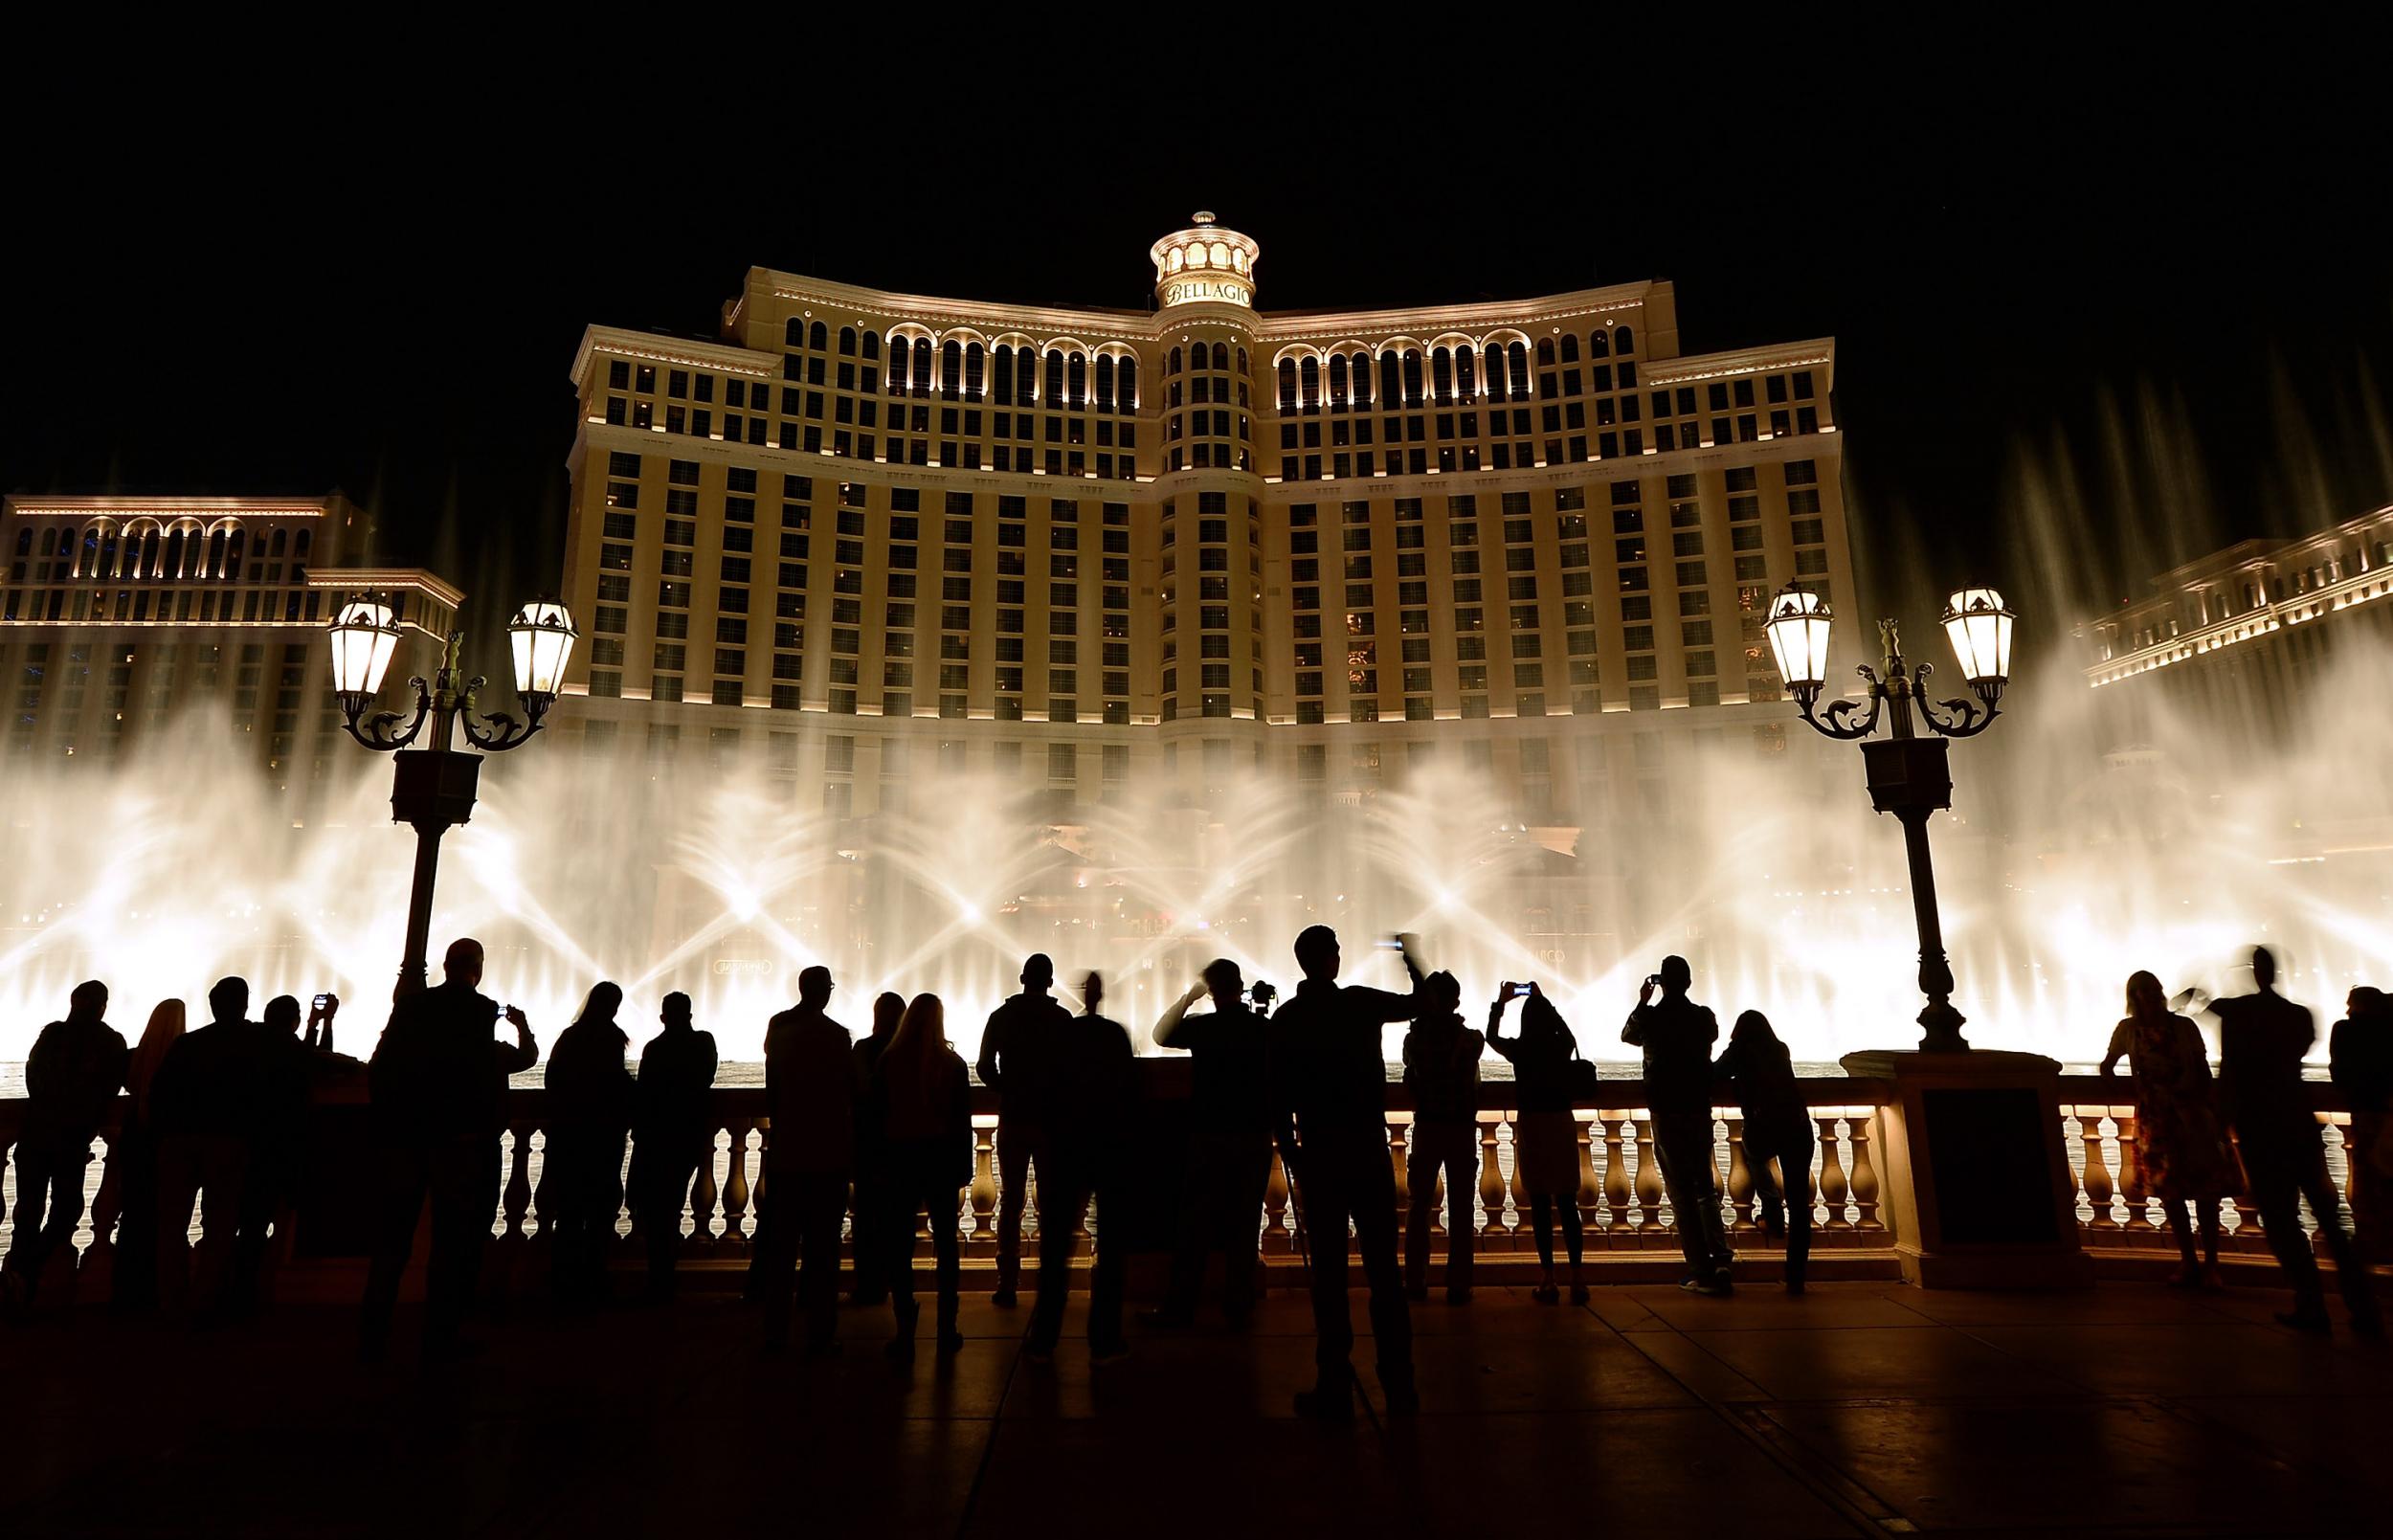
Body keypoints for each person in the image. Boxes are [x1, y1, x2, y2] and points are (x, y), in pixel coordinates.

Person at [358, 939, 539, 1363]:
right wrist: (522, 1026)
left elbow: (381, 1067)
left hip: (406, 1142)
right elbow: (523, 1059)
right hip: (462, 1146)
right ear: (478, 968)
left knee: (392, 1243)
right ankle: (440, 1337)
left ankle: (372, 1334)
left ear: (444, 966)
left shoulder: (413, 1008)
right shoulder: (480, 1016)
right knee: (453, 1244)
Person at [1270, 926, 1421, 1421]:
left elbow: (1277, 1088)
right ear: (1333, 960)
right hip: (1366, 1150)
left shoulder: (1289, 1017)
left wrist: (1289, 1144)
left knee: (1329, 1275)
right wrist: (1411, 957)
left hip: (1319, 1154)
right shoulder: (1358, 1003)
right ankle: (1400, 1385)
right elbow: (1419, 1002)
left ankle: (1333, 1383)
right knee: (1384, 1272)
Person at [2212, 946, 2379, 1334]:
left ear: (2255, 973)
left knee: (2282, 1222)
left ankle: (2311, 1305)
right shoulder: (2298, 1016)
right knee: (2332, 1222)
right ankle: (2364, 1309)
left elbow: (2232, 1069)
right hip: (2300, 1125)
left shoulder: (2238, 1014)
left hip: (2261, 1131)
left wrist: (2223, 1123)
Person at [151, 977, 305, 1323]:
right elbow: (298, 1065)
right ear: (246, 1004)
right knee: (219, 1228)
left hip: (180, 1143)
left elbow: (160, 1095)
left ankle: (171, 1303)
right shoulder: (259, 1043)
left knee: (171, 1227)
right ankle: (203, 1303)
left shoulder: (187, 1044)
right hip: (229, 1143)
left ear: (212, 1004)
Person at [1150, 959, 1274, 1328]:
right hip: (1253, 1135)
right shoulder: (1259, 1028)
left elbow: (1161, 1034)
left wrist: (1188, 998)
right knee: (1245, 1222)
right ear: (1240, 987)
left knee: (1195, 1226)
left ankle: (1181, 1305)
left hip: (1209, 1133)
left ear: (1212, 990)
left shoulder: (1204, 1028)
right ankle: (1238, 1303)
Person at [2098, 971, 2239, 1287]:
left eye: (2152, 990)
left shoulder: (2183, 1027)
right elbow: (2107, 1066)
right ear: (2132, 997)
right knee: (2171, 1195)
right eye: (2140, 992)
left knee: (2206, 1194)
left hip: (2190, 1116)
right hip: (2157, 1119)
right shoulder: (2127, 1030)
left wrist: (2207, 1112)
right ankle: (2190, 1262)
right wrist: (2135, 1093)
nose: (2147, 996)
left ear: (2160, 992)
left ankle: (2211, 1265)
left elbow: (2202, 1070)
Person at [1026, 972, 1136, 1364]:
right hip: (1109, 1149)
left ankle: (1044, 1336)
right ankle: (1104, 1338)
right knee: (1111, 1248)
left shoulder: (1063, 1036)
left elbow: (1047, 1088)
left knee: (1055, 1248)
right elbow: (1130, 1089)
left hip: (1067, 1149)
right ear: (1100, 995)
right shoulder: (1114, 1035)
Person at [3, 981, 128, 1312]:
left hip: (36, 1136)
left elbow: (33, 1078)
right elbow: (110, 1089)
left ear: (73, 1002)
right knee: (66, 1211)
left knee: (28, 1213)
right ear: (102, 1006)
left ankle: (18, 1279)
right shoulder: (111, 1042)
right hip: (72, 1141)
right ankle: (26, 1274)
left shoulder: (52, 1035)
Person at [868, 993, 972, 1362]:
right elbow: (962, 1125)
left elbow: (877, 1120)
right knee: (946, 1246)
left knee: (900, 1248)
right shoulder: (954, 1066)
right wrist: (964, 1170)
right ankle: (947, 1330)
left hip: (900, 1162)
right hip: (941, 1163)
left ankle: (905, 1330)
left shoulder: (889, 1062)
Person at [759, 966, 856, 1355]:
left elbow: (772, 1089)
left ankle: (775, 1331)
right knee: (824, 1249)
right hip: (827, 1155)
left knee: (781, 1248)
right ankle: (820, 1331)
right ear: (826, 993)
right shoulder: (836, 1036)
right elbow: (847, 1095)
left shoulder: (778, 1027)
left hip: (787, 1152)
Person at [1623, 955, 1731, 1295]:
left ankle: (1700, 1270)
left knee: (1681, 1193)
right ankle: (1722, 1259)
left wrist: (1644, 1000)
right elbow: (1712, 1035)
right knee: (1705, 1190)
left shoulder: (1652, 1017)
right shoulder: (1702, 1017)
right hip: (1698, 1110)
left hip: (1667, 1112)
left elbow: (1627, 1035)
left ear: (1662, 983)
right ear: (1688, 982)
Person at [976, 953, 1070, 1307]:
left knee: (1011, 1201)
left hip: (1013, 1118)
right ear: (1049, 981)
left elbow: (985, 1066)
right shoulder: (1062, 1020)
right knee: (1052, 1203)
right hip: (1051, 1122)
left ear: (1021, 979)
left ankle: (1007, 1283)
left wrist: (1007, 1088)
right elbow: (1071, 1071)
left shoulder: (1001, 1018)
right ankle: (1052, 1283)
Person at [1487, 983, 1586, 1305]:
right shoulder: (1560, 1047)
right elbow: (1569, 1036)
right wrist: (1544, 1001)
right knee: (1568, 1204)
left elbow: (1492, 1037)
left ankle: (1548, 1278)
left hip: (1533, 1125)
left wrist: (1500, 1004)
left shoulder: (1522, 1049)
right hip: (1560, 1122)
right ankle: (1577, 1277)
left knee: (1541, 1205)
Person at [545, 983, 634, 1306]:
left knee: (569, 1211)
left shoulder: (571, 1037)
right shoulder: (611, 1037)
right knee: (600, 1210)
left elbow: (552, 1080)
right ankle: (593, 1279)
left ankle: (563, 1282)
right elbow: (615, 1082)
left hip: (569, 1137)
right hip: (603, 1139)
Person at [1714, 1010, 1815, 1294]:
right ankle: (1796, 1278)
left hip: (1766, 1128)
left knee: (1753, 1153)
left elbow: (1715, 1073)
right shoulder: (1780, 1049)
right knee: (1799, 1208)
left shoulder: (1740, 1050)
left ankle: (1771, 1210)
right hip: (1798, 1126)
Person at [628, 992, 718, 1304]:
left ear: (663, 1017)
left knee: (656, 1212)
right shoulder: (704, 1043)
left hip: (656, 1138)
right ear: (690, 1015)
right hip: (688, 1137)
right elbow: (705, 1079)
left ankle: (659, 1279)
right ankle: (666, 1278)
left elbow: (644, 1093)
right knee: (673, 1206)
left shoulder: (655, 1048)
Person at [1401, 970, 1482, 1304]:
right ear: (1457, 1001)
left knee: (1418, 1206)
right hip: (1461, 1127)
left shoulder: (1415, 1039)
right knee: (1462, 1208)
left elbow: (1410, 1065)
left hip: (1428, 1126)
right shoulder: (1471, 1039)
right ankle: (1459, 1284)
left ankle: (1416, 1281)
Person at [108, 999, 189, 1314]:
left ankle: (126, 1293)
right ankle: (157, 1292)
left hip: (135, 1138)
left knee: (132, 1213)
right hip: (167, 1141)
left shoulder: (133, 1059)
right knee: (166, 1217)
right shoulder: (183, 1058)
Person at [847, 990, 906, 1307]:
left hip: (868, 1147)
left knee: (865, 1220)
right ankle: (897, 1286)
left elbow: (855, 1092)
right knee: (897, 1224)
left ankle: (868, 1284)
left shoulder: (863, 1049)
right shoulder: (908, 1051)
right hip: (901, 1148)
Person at [2330, 987, 2393, 1254]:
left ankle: (2371, 1240)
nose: (2347, 1010)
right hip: (2386, 1111)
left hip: (2365, 1110)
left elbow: (2338, 1073)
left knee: (2367, 1176)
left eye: (2351, 1004)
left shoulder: (2346, 1030)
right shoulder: (2387, 1032)